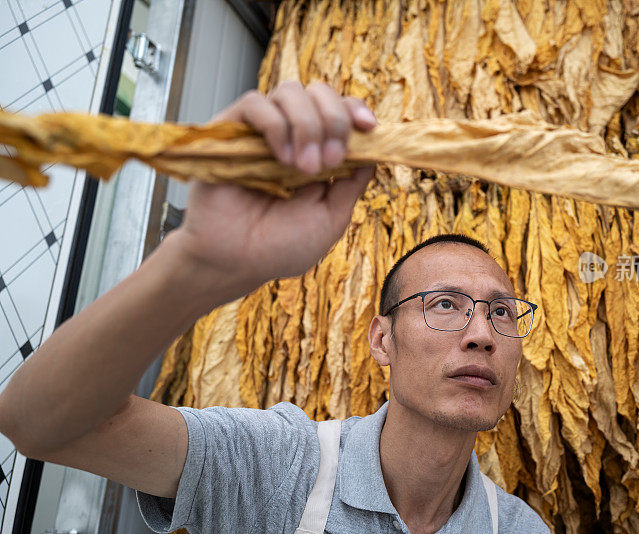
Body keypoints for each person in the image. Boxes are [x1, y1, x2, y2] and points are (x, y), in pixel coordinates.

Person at [0, 82, 550, 533]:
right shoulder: (281, 466)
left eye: (502, 312)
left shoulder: (523, 530)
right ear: (382, 340)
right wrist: (197, 264)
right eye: (446, 304)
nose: (482, 332)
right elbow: (40, 425)